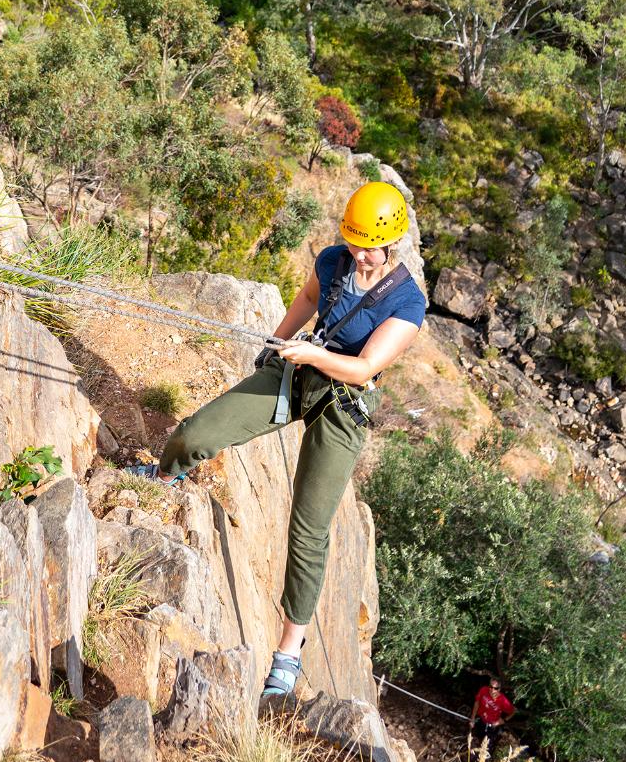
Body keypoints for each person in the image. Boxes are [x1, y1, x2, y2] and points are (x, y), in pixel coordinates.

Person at [127, 181, 426, 698]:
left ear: (392, 245)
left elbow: (365, 367)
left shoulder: (407, 302)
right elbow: (310, 296)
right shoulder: (334, 261)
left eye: (368, 248)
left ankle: (288, 653)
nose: (358, 254)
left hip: (342, 407)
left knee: (309, 529)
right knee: (197, 432)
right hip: (297, 372)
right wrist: (280, 336)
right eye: (352, 241)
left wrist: (308, 355)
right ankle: (162, 476)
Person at [469, 677, 515, 753]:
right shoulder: (484, 690)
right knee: (479, 738)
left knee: (487, 748)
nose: (492, 690)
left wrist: (503, 721)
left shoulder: (503, 701)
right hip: (481, 721)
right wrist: (472, 718)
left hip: (492, 727)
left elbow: (513, 711)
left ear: (499, 689)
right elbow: (477, 702)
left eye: (495, 688)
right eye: (491, 687)